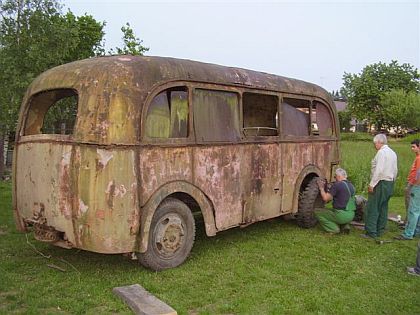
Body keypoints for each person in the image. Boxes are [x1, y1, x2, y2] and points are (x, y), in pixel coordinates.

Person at [362, 134, 398, 239]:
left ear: (379, 142)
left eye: (375, 143)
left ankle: (371, 232)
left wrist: (372, 184)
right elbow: (395, 170)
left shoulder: (381, 153)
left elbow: (379, 170)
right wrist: (392, 182)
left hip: (380, 182)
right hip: (389, 182)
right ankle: (380, 230)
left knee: (373, 207)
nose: (375, 146)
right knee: (383, 207)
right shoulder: (392, 153)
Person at [315, 168, 356, 234]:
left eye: (335, 176)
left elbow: (326, 198)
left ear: (338, 176)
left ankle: (333, 229)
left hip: (341, 215)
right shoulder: (352, 186)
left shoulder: (337, 185)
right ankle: (345, 226)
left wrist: (321, 188)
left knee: (317, 212)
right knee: (330, 210)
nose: (335, 179)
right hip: (351, 215)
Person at [395, 139, 420, 240]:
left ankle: (408, 233)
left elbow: (419, 173)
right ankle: (416, 230)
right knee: (418, 209)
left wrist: (415, 185)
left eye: (414, 147)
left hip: (417, 185)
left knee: (413, 210)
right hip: (416, 184)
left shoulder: (419, 158)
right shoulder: (417, 157)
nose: (412, 149)